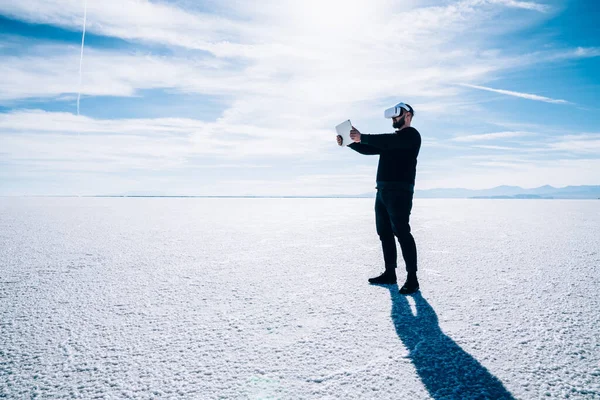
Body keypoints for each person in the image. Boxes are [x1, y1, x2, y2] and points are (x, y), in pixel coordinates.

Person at [336, 102, 421, 295]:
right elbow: (369, 149)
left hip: (400, 192)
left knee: (402, 232)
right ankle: (390, 273)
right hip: (382, 191)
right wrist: (350, 143)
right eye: (391, 118)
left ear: (407, 116)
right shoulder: (391, 141)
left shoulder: (411, 136)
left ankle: (412, 279)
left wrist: (362, 137)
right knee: (384, 232)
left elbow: (386, 142)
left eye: (396, 117)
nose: (393, 120)